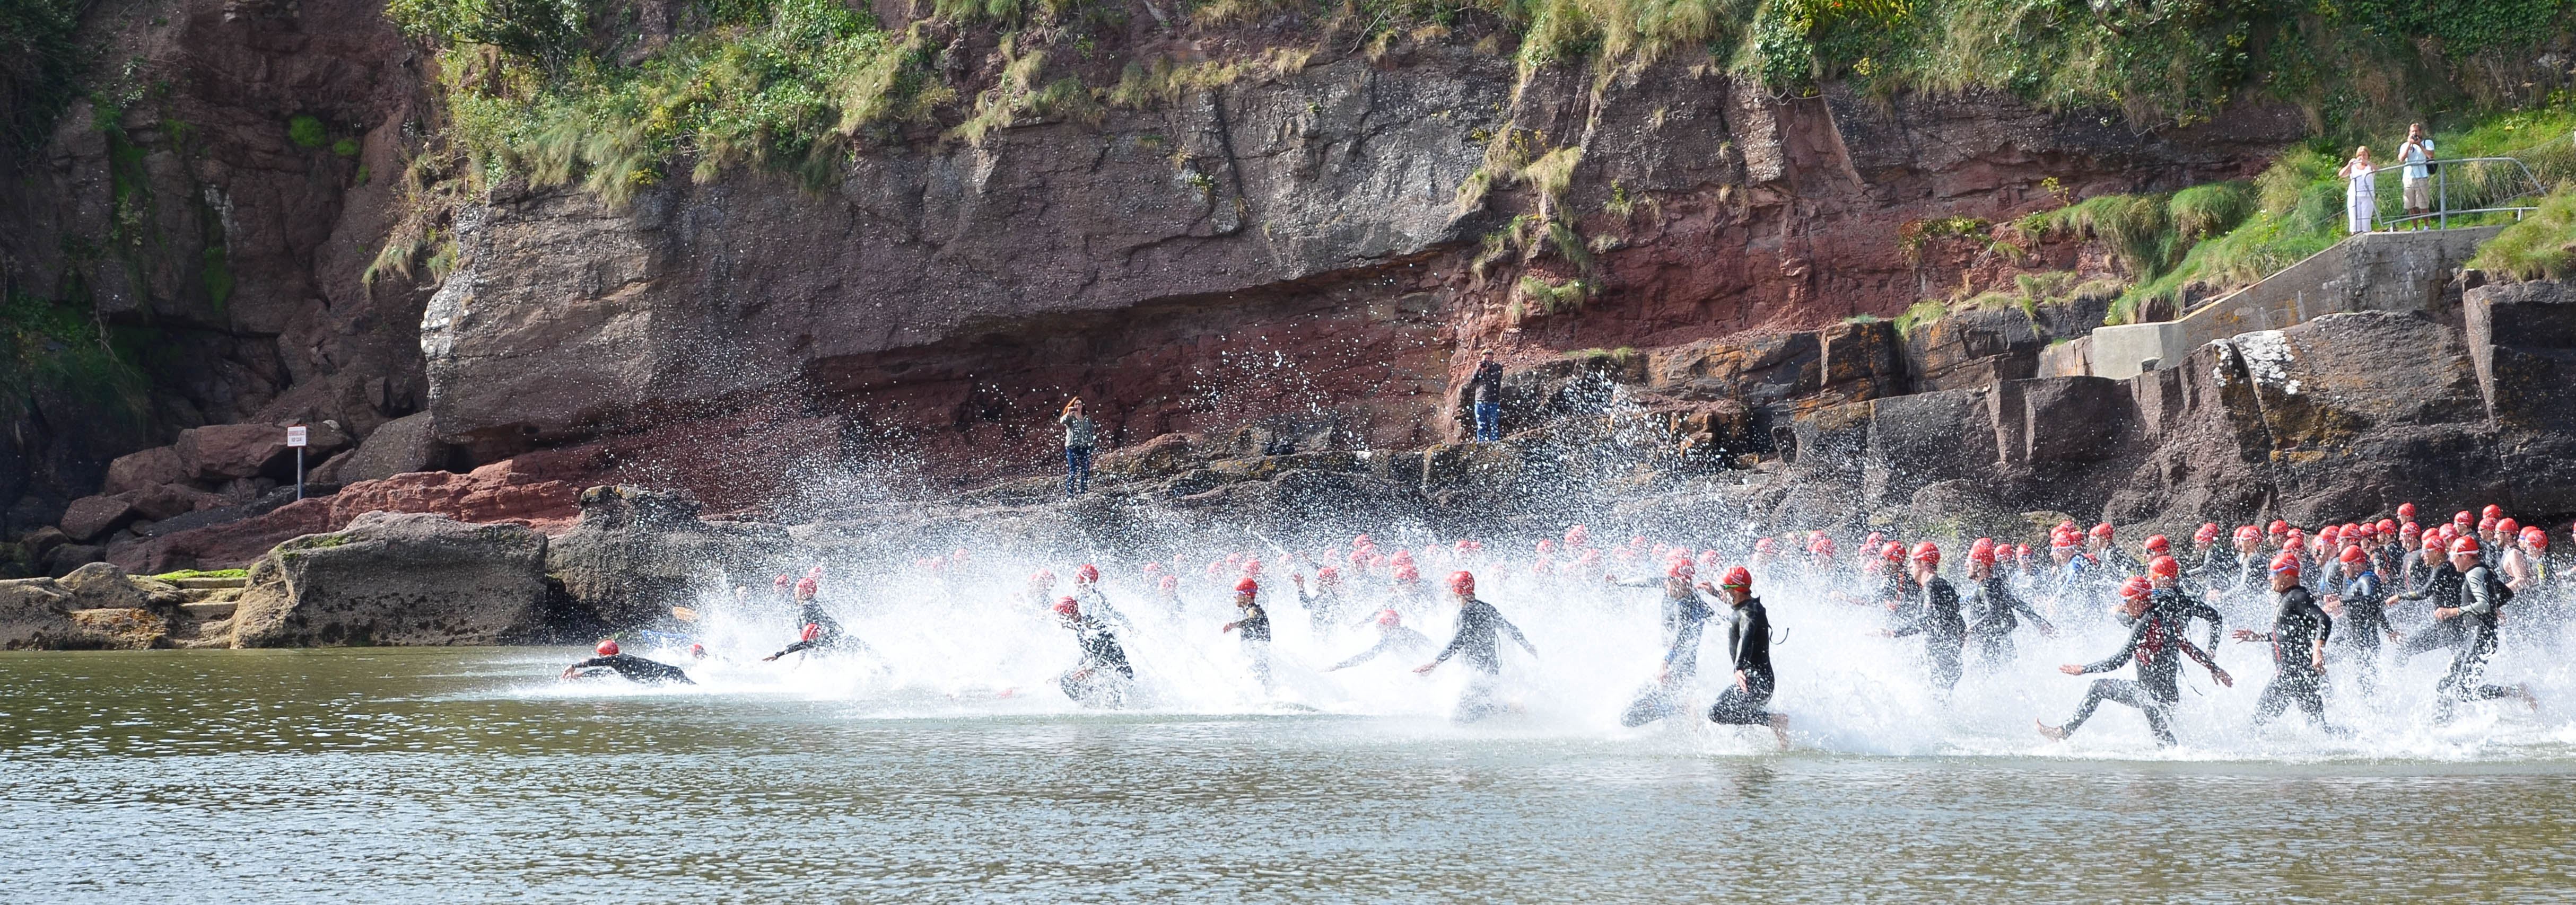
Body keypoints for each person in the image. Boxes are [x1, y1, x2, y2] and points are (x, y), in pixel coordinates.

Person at [2038, 576, 2234, 748]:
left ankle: (2063, 732)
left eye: (2126, 601)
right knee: (2168, 748)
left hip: (2148, 696)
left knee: (2099, 687)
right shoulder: (2164, 619)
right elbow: (2189, 647)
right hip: (2167, 696)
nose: (2124, 606)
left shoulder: (2144, 623)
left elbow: (2119, 660)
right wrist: (2214, 668)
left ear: (2139, 601)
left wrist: (2084, 669)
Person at [2425, 537, 2538, 722]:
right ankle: (2442, 722)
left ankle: (2516, 690)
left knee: (2463, 691)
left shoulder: (2475, 574)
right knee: (2445, 683)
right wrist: (2493, 606)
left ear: (2466, 557)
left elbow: (2484, 605)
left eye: (2455, 557)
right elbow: (2507, 594)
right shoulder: (2483, 570)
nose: (2452, 561)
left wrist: (2454, 611)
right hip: (2475, 636)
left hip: (2481, 638)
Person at [2232, 552, 2341, 735]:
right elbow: (2287, 635)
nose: (2270, 577)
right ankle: (2354, 741)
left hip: (2291, 674)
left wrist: (2318, 651)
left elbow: (2324, 619)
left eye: (2274, 573)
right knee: (2318, 728)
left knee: (2257, 724)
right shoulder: (2289, 598)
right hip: (2301, 674)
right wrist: (2257, 637)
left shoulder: (2297, 597)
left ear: (2287, 575)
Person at [1416, 570, 1539, 722]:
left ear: (1456, 591)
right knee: (1475, 710)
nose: (1445, 593)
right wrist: (1527, 646)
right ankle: (1510, 709)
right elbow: (1510, 628)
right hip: (1489, 669)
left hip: (1477, 672)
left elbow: (1459, 640)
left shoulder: (1468, 612)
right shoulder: (1487, 608)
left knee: (1460, 717)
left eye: (1449, 589)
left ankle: (1511, 707)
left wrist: (1436, 662)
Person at [1610, 558, 1717, 726]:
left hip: (1672, 669)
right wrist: (1720, 595)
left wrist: (1666, 661)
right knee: (1652, 705)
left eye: (1668, 579)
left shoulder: (1682, 606)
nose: (1665, 583)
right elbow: (1722, 620)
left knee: (1628, 717)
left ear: (1679, 581)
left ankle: (1682, 708)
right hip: (1685, 669)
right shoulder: (1696, 601)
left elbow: (1681, 639)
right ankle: (1683, 709)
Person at [1701, 566, 1791, 750]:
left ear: (1736, 591)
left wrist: (1738, 667)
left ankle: (1775, 721)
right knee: (1724, 716)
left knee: (1716, 713)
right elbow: (1735, 606)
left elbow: (1746, 638)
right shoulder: (1747, 606)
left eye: (1725, 589)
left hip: (1758, 682)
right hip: (1753, 680)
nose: (1723, 593)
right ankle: (1752, 763)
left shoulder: (1750, 614)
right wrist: (1714, 593)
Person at [1879, 542, 1966, 699]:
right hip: (1952, 661)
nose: (1910, 566)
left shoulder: (1930, 588)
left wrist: (1894, 633)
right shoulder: (1945, 585)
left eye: (1913, 561)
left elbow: (1927, 620)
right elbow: (1961, 626)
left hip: (1939, 662)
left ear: (1923, 562)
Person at [2320, 543, 2398, 695]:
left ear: (2356, 564)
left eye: (2345, 565)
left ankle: (2376, 710)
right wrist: (2389, 631)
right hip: (2356, 639)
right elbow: (2374, 609)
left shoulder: (2368, 579)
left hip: (2367, 641)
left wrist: (2342, 602)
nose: (2342, 569)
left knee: (2366, 683)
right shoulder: (2357, 581)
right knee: (2358, 680)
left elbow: (2371, 600)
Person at [1968, 539, 2054, 665]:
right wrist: (2039, 621)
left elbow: (1993, 613)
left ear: (1981, 565)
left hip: (1990, 650)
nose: (1966, 565)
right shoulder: (1997, 584)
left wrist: (1970, 630)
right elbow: (2018, 604)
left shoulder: (1985, 588)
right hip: (2004, 646)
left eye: (1970, 562)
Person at [763, 572, 866, 662]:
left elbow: (808, 641)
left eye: (797, 589)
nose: (794, 591)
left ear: (803, 592)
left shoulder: (805, 610)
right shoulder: (814, 604)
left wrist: (779, 654)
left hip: (840, 647)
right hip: (846, 641)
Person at [1054, 596, 1134, 707]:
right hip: (1108, 673)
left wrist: (1092, 670)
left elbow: (1106, 650)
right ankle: (1089, 704)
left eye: (1061, 617)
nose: (1059, 621)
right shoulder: (1082, 628)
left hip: (1119, 676)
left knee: (1067, 680)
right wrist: (1069, 671)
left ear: (1070, 615)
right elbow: (1088, 656)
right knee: (1065, 678)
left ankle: (1091, 704)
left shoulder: (1090, 627)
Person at [1328, 609, 1431, 671]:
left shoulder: (1390, 639)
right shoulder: (1409, 632)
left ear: (1387, 626)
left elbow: (1368, 655)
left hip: (1415, 667)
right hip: (1423, 663)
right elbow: (1430, 645)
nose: (1377, 629)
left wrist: (1340, 665)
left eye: (1379, 626)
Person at [1219, 577, 1274, 691]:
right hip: (1257, 659)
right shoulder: (1250, 610)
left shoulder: (1254, 610)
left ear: (1247, 596)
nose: (1235, 597)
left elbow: (1252, 620)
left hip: (1257, 661)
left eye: (1238, 593)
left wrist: (1234, 625)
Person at [561, 639, 694, 684]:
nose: (600, 658)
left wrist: (574, 666)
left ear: (608, 655)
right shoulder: (619, 665)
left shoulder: (620, 659)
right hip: (670, 676)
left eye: (601, 656)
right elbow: (603, 672)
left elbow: (595, 662)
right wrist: (583, 675)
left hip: (673, 674)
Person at [1059, 397, 1097, 497]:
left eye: (1079, 404)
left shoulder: (1086, 417)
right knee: (1074, 470)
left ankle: (1084, 491)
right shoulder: (1070, 418)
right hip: (1072, 447)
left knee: (1085, 469)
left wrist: (1093, 445)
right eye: (1076, 404)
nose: (1078, 406)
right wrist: (1068, 413)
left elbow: (1091, 432)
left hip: (1085, 447)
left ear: (1083, 405)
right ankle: (1070, 494)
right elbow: (1062, 422)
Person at [2398, 124, 2434, 227]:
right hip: (2408, 178)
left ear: (2421, 132)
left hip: (2422, 176)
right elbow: (2401, 159)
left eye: (2417, 131)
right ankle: (2415, 227)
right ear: (2409, 133)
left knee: (2423, 203)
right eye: (2412, 131)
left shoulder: (2428, 143)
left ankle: (2427, 225)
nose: (2415, 133)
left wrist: (2419, 145)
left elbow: (2430, 155)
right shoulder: (2405, 145)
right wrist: (2410, 144)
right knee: (2411, 205)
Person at [1469, 348, 1505, 443]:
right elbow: (1472, 381)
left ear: (1493, 359)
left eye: (1489, 359)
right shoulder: (1479, 369)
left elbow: (1496, 379)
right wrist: (1478, 369)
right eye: (1485, 359)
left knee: (1494, 424)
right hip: (1480, 401)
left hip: (1493, 402)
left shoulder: (1498, 368)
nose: (1487, 361)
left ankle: (1495, 443)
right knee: (1481, 425)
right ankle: (1482, 444)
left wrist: (1487, 371)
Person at [2339, 146, 2377, 234]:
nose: (2362, 157)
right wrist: (2349, 165)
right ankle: (2355, 235)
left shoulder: (2370, 167)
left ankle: (2366, 234)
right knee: (2354, 219)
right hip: (2354, 195)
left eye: (2364, 155)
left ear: (2368, 156)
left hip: (2368, 196)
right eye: (2360, 155)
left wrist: (2367, 163)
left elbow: (2378, 170)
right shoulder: (2353, 167)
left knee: (2366, 220)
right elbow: (2341, 175)